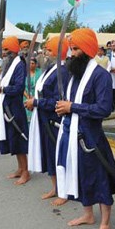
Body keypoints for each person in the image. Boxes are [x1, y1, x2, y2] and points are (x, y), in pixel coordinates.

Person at [55, 28, 115, 229]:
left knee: (100, 180)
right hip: (72, 134)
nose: (70, 54)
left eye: (75, 49)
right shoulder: (75, 75)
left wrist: (72, 107)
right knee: (81, 175)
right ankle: (88, 214)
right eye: (71, 49)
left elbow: (103, 110)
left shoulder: (100, 75)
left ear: (87, 50)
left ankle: (105, 225)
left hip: (92, 138)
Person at [26, 36, 70, 201]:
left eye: (50, 50)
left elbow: (58, 101)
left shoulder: (63, 71)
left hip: (54, 120)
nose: (45, 53)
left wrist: (36, 102)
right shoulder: (49, 69)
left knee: (56, 154)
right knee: (49, 154)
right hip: (43, 118)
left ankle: (64, 191)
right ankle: (55, 187)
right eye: (45, 50)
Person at [0, 36, 30, 185]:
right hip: (6, 108)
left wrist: (1, 89)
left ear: (13, 50)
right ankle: (20, 168)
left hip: (15, 109)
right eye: (3, 49)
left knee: (19, 139)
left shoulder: (19, 64)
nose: (4, 53)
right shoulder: (7, 65)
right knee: (13, 138)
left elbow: (19, 87)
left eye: (6, 49)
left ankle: (26, 172)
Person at [24, 58, 42, 123]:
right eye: (29, 63)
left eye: (33, 63)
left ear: (36, 64)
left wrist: (34, 97)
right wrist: (28, 96)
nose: (31, 65)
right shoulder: (24, 73)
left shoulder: (40, 72)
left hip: (36, 96)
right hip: (26, 96)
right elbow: (22, 87)